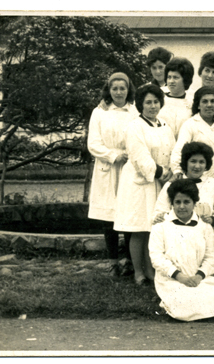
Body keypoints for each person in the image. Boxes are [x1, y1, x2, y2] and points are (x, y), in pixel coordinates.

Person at [114, 84, 176, 285]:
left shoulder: (165, 126)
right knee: (139, 227)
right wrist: (160, 173)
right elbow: (140, 158)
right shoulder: (134, 127)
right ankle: (138, 271)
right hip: (139, 183)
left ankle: (150, 269)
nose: (152, 106)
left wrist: (170, 172)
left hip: (159, 183)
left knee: (153, 227)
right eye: (148, 102)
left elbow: (172, 151)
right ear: (140, 104)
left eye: (156, 102)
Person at [149, 179, 214, 321]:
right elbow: (157, 258)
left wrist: (198, 276)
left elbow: (210, 258)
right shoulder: (160, 226)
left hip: (198, 279)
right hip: (172, 280)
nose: (182, 207)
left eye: (186, 202)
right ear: (171, 203)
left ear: (194, 203)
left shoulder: (204, 227)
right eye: (177, 202)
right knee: (182, 305)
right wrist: (180, 277)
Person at [87, 72, 138, 277]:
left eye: (122, 88)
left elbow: (139, 137)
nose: (118, 92)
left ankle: (128, 261)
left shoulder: (134, 112)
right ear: (109, 90)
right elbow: (93, 143)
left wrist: (128, 155)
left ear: (128, 90)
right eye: (114, 88)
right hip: (107, 169)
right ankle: (112, 261)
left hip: (128, 167)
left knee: (127, 215)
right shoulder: (99, 112)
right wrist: (112, 155)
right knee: (108, 218)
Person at [153, 142, 214, 230]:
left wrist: (213, 220)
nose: (197, 166)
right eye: (193, 161)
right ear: (186, 162)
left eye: (201, 162)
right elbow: (158, 212)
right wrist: (161, 217)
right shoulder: (172, 184)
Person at [170, 86, 214, 181]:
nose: (209, 105)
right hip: (197, 177)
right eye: (204, 101)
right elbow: (179, 149)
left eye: (213, 101)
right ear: (198, 105)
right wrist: (177, 170)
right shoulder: (190, 124)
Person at [158, 57, 194, 138]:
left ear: (185, 79)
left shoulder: (192, 101)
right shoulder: (159, 99)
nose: (171, 81)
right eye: (169, 77)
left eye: (176, 77)